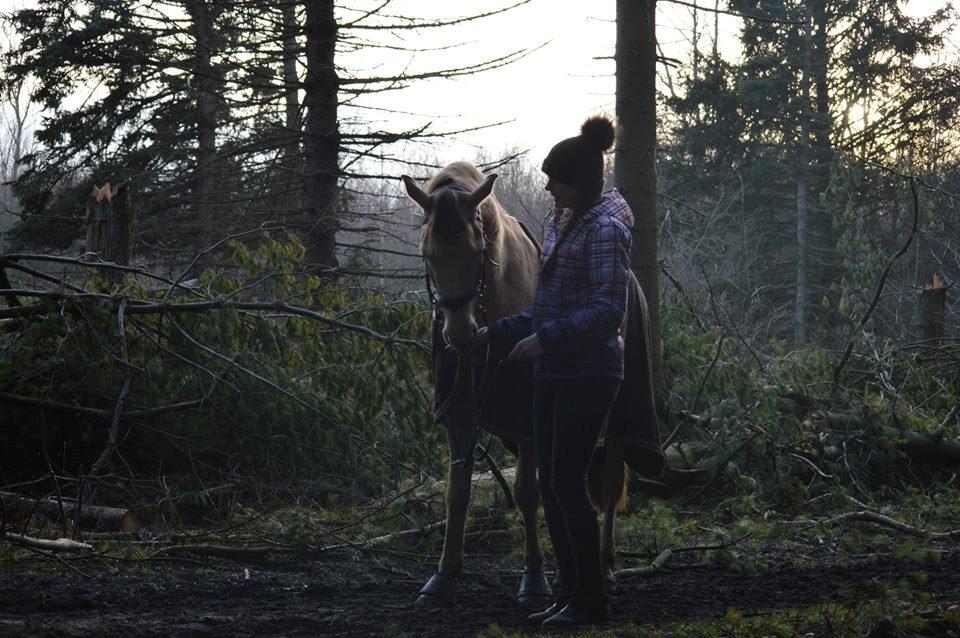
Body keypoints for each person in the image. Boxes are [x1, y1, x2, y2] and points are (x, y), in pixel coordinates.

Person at [474, 115, 632, 628]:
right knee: (549, 481)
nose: (546, 188)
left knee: (566, 480)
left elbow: (608, 311)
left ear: (580, 184)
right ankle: (570, 591)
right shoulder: (560, 220)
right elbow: (546, 307)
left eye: (555, 180)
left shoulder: (607, 229)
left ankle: (591, 601)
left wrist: (546, 340)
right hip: (555, 371)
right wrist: (492, 333)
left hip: (590, 373)